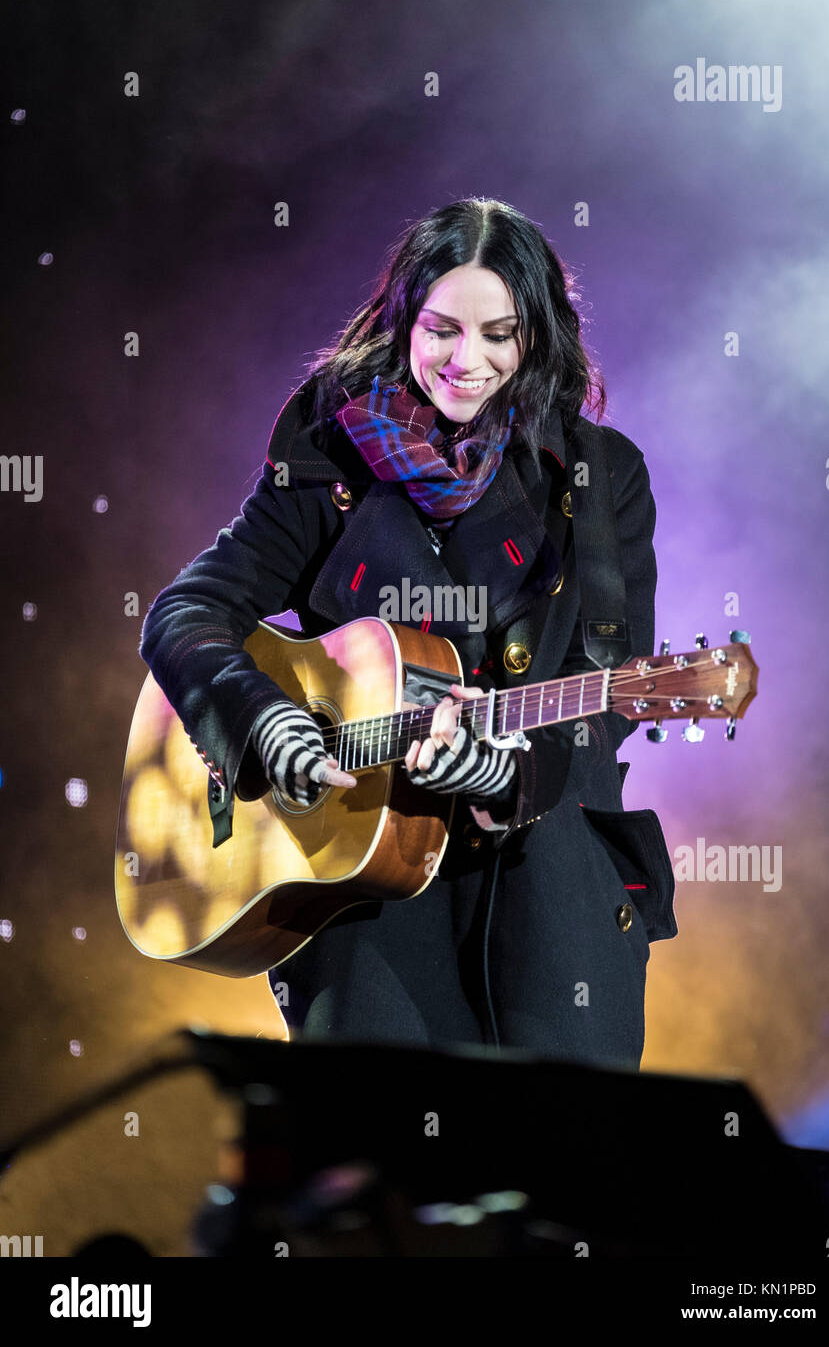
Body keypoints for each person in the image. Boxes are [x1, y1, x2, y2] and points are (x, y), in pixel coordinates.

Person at [140, 195, 673, 1069]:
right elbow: (184, 614)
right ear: (402, 322)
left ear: (536, 334)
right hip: (366, 906)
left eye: (501, 334)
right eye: (442, 331)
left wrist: (507, 770)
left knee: (561, 1182)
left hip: (551, 897)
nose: (470, 362)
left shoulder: (602, 475)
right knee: (383, 1185)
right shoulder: (330, 458)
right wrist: (261, 722)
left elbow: (605, 694)